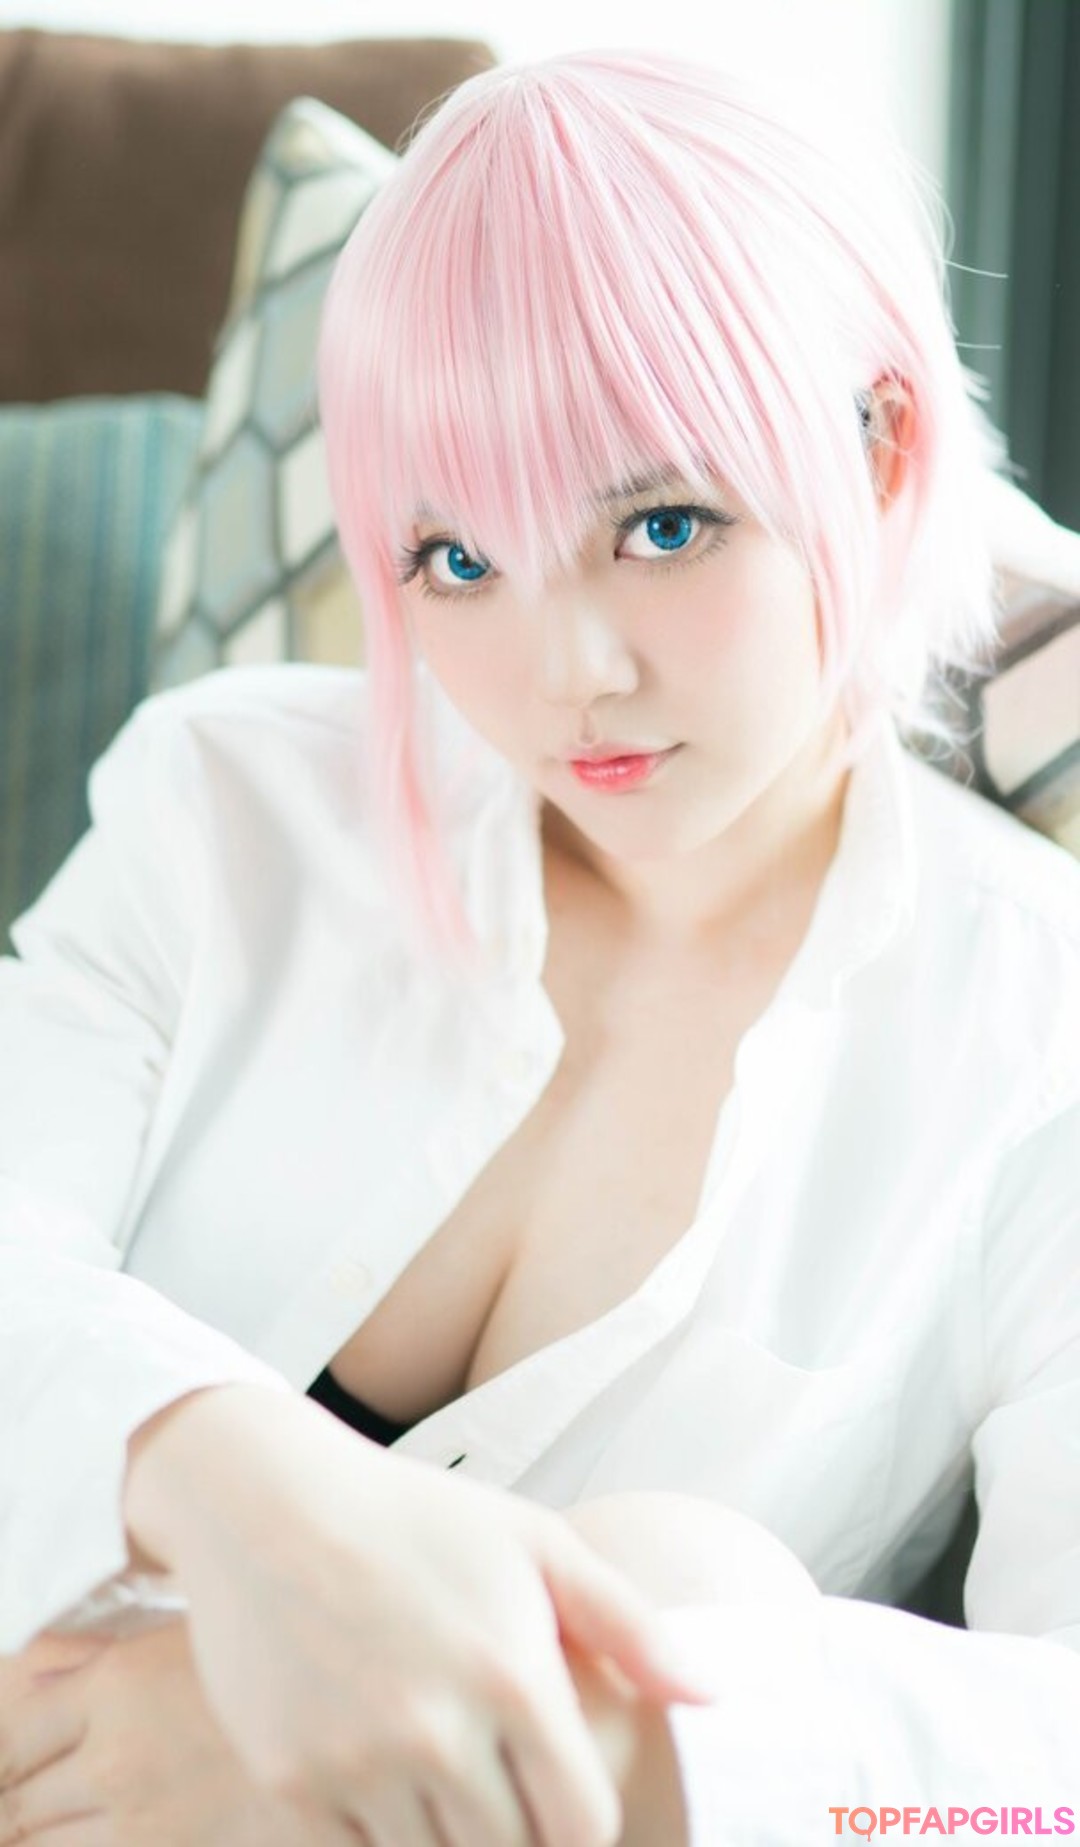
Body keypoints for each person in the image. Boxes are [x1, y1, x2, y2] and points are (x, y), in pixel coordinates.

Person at [1, 44, 1079, 1847]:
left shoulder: (1034, 1030)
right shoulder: (228, 813)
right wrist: (264, 1520)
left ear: (880, 451)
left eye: (663, 525)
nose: (569, 673)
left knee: (692, 1582)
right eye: (457, 560)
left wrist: (605, 1746)